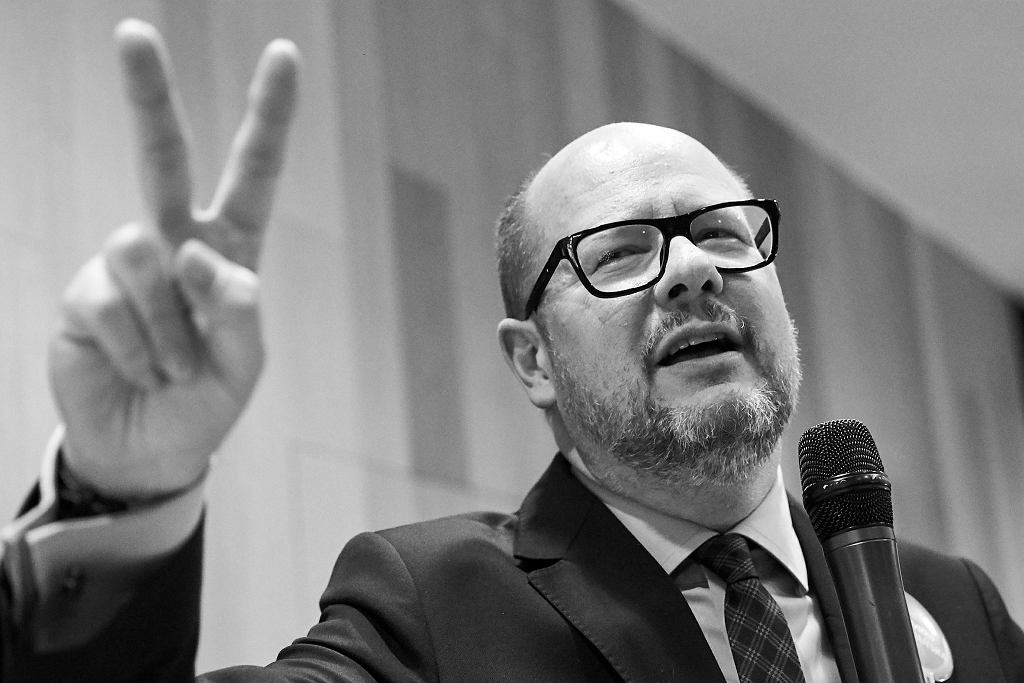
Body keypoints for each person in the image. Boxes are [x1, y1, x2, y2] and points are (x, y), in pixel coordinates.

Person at [2, 19, 1023, 683]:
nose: (690, 269)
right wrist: (123, 494)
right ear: (532, 360)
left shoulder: (958, 605)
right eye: (618, 252)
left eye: (721, 232)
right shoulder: (432, 607)